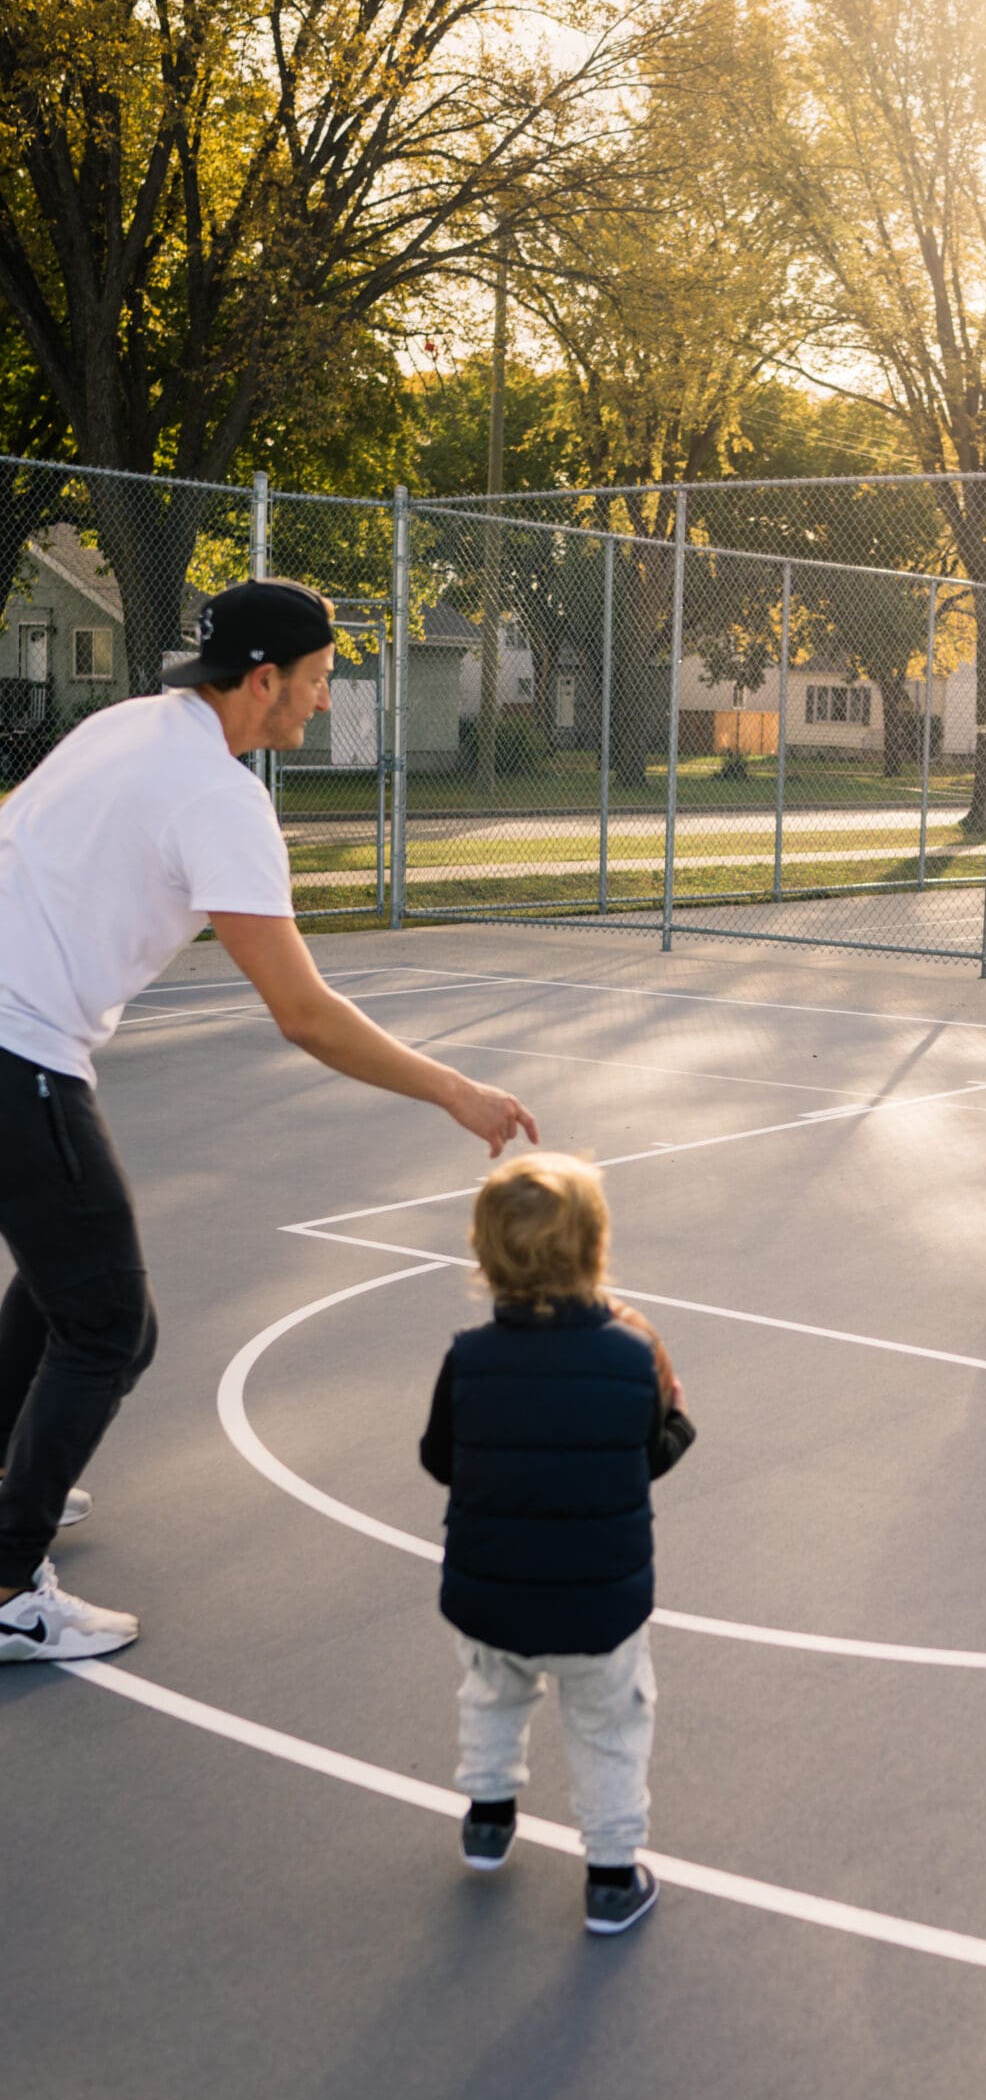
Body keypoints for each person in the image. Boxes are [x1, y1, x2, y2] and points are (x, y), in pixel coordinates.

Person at [0, 578, 536, 1665]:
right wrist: (455, 1090)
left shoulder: (129, 725)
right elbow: (304, 1014)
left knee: (62, 1289)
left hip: (18, 1038)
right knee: (110, 1325)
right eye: (319, 681)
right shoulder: (218, 797)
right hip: (21, 1052)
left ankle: (13, 1491)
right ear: (263, 681)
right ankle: (9, 1581)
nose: (324, 704)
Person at [420, 1152, 696, 1936]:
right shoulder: (631, 1354)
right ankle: (611, 1875)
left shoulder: (466, 1358)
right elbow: (648, 1461)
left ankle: (487, 1816)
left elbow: (439, 1460)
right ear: (595, 1248)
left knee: (492, 1693)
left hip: (491, 1592)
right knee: (609, 1725)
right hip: (598, 1601)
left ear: (484, 1253)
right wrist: (678, 1413)